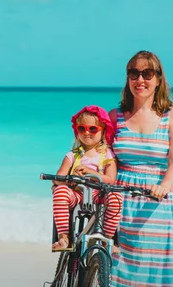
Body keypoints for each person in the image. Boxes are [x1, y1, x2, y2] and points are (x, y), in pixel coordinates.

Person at [109, 50, 173, 286]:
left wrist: (164, 185)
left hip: (158, 203)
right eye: (134, 73)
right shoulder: (114, 116)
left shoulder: (172, 115)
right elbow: (105, 159)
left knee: (157, 275)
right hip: (120, 204)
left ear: (158, 79)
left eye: (147, 73)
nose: (140, 80)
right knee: (118, 272)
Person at [50, 105, 123, 252]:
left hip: (98, 195)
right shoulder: (73, 155)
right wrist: (71, 179)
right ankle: (64, 238)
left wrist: (92, 173)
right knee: (61, 191)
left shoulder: (107, 155)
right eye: (81, 128)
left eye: (93, 129)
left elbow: (110, 179)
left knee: (116, 197)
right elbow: (58, 177)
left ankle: (106, 239)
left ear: (103, 130)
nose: (87, 132)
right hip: (77, 193)